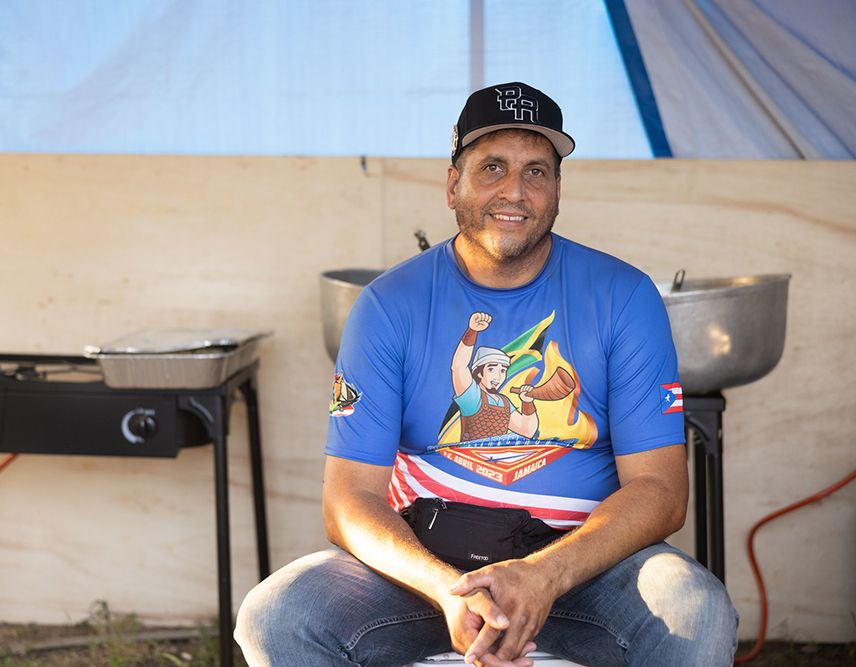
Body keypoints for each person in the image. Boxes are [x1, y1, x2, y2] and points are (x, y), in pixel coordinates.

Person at [235, 82, 738, 667]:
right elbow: (348, 499)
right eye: (492, 167)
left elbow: (661, 490)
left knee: (695, 608)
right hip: (428, 577)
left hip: (585, 573)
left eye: (536, 172)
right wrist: (450, 593)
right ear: (453, 186)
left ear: (557, 189)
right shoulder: (388, 305)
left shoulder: (623, 297)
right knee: (278, 615)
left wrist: (543, 576)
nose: (515, 192)